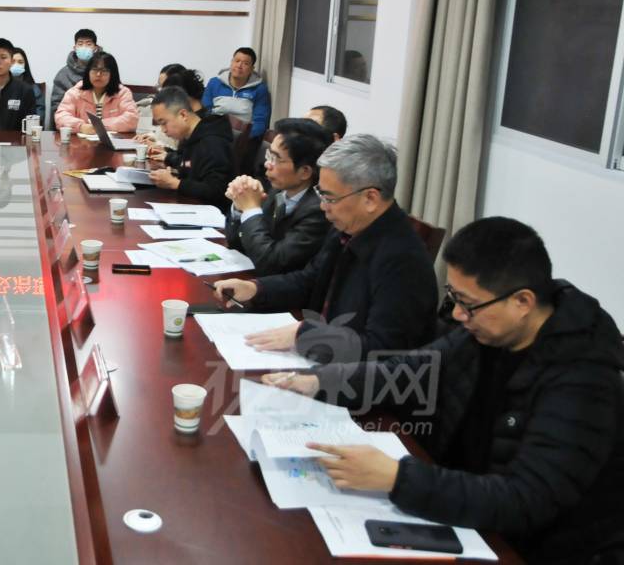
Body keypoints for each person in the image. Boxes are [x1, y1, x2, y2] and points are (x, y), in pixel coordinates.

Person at [262, 217, 624, 563]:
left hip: (529, 546)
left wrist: (398, 478)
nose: (458, 316)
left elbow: (527, 499)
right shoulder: (486, 334)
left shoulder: (583, 379)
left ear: (522, 302)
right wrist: (319, 382)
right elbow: (409, 370)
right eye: (454, 297)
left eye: (468, 304)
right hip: (464, 507)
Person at [212, 134, 437, 364]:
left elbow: (382, 349)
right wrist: (255, 289)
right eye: (320, 193)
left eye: (329, 197)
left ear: (370, 198)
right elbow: (310, 281)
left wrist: (306, 335)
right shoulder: (349, 227)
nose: (322, 206)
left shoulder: (404, 260)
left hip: (351, 377)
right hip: (322, 358)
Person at [224, 118, 331, 276]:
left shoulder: (319, 211)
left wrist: (250, 210)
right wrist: (240, 206)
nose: (267, 164)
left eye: (276, 159)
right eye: (269, 155)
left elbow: (270, 263)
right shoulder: (278, 189)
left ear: (305, 172)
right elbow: (236, 243)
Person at [148, 86, 234, 209]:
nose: (163, 130)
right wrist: (169, 158)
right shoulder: (191, 136)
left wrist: (175, 183)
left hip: (210, 213)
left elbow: (217, 190)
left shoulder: (213, 143)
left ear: (183, 115)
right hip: (191, 204)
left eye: (164, 123)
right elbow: (188, 162)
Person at [54, 51, 139, 134]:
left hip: (113, 141)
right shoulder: (75, 92)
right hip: (80, 141)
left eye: (104, 70)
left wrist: (100, 126)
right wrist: (81, 126)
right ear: (88, 72)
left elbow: (132, 119)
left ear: (112, 74)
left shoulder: (123, 93)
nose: (98, 74)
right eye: (94, 69)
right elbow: (61, 117)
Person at [201, 47, 271, 139]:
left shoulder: (260, 89)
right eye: (237, 61)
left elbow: (260, 121)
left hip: (243, 137)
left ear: (252, 69)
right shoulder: (214, 83)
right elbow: (205, 111)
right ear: (231, 62)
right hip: (215, 133)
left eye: (245, 63)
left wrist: (245, 139)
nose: (239, 66)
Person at [49, 28, 98, 129]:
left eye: (88, 44)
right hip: (71, 128)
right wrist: (80, 126)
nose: (84, 47)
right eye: (80, 44)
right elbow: (57, 108)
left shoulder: (105, 72)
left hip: (101, 127)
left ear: (95, 48)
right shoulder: (63, 75)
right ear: (75, 48)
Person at [10, 47, 45, 124]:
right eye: (13, 61)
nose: (16, 65)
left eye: (20, 62)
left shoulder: (33, 88)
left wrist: (30, 126)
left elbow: (39, 112)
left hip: (27, 128)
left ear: (25, 65)